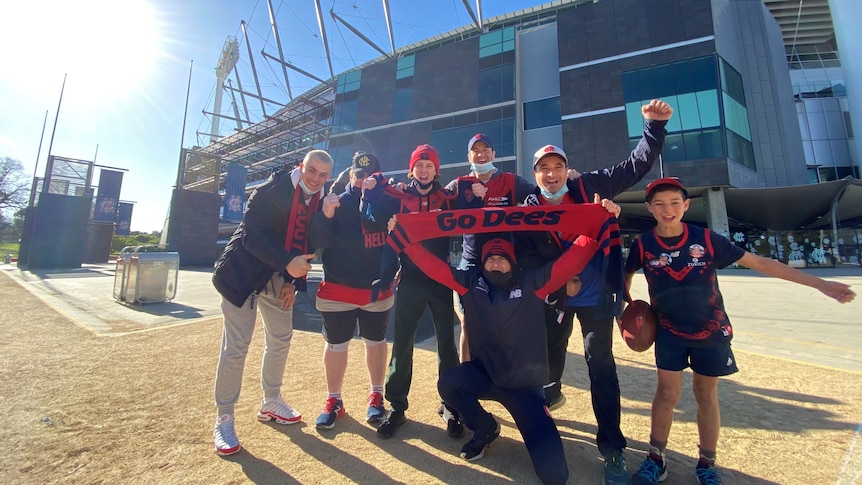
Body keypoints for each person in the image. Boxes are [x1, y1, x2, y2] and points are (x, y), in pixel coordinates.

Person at [625, 177, 856, 485]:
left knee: (705, 394)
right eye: (660, 204)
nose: (668, 210)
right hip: (669, 331)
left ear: (686, 205)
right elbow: (624, 277)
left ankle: (707, 464)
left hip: (711, 330)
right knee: (667, 393)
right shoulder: (644, 245)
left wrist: (821, 284)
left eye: (674, 203)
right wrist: (628, 312)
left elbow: (760, 263)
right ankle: (656, 459)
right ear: (649, 208)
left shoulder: (706, 240)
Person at [378, 201, 613, 484]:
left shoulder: (534, 282)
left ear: (513, 262)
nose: (496, 262)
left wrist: (599, 223)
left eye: (502, 257)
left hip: (524, 388)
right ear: (482, 262)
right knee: (449, 383)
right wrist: (404, 241)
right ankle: (485, 427)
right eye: (490, 257)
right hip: (485, 376)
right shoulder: (470, 282)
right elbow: (432, 266)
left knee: (555, 475)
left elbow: (574, 258)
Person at [515, 99, 673, 484]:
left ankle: (613, 448)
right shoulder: (528, 210)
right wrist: (556, 281)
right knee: (546, 364)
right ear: (534, 175)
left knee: (599, 366)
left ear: (567, 170)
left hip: (597, 298)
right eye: (543, 169)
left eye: (557, 167)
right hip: (556, 297)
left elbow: (635, 165)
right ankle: (549, 401)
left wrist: (653, 127)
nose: (551, 175)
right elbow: (525, 260)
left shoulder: (591, 187)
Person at [210, 149, 333, 456]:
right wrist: (287, 263)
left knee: (280, 339)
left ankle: (271, 401)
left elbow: (308, 245)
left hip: (279, 279)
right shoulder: (270, 190)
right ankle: (224, 417)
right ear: (300, 166)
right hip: (243, 274)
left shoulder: (319, 199)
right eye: (312, 170)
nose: (316, 179)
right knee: (236, 347)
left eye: (323, 175)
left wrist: (293, 281)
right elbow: (252, 236)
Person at [360, 144, 464, 439]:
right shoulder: (399, 196)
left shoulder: (447, 198)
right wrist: (374, 197)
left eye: (429, 165)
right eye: (419, 165)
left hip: (441, 279)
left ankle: (450, 404)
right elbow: (369, 215)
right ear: (412, 169)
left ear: (437, 170)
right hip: (410, 280)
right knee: (402, 344)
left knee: (447, 346)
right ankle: (397, 407)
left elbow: (473, 213)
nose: (424, 170)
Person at [307, 151, 394, 430]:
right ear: (351, 174)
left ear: (377, 177)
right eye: (359, 174)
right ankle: (334, 400)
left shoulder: (389, 201)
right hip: (338, 287)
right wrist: (326, 214)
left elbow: (404, 238)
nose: (363, 180)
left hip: (375, 288)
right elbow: (318, 241)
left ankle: (376, 395)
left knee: (376, 342)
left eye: (369, 176)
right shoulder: (336, 201)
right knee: (336, 345)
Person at [444, 133, 536, 365]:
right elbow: (435, 203)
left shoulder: (511, 181)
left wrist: (571, 183)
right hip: (472, 262)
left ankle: (508, 373)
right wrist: (406, 191)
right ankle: (467, 374)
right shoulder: (460, 184)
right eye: (476, 150)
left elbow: (542, 198)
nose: (481, 154)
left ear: (494, 154)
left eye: (486, 149)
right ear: (469, 156)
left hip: (504, 261)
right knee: (467, 322)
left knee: (508, 318)